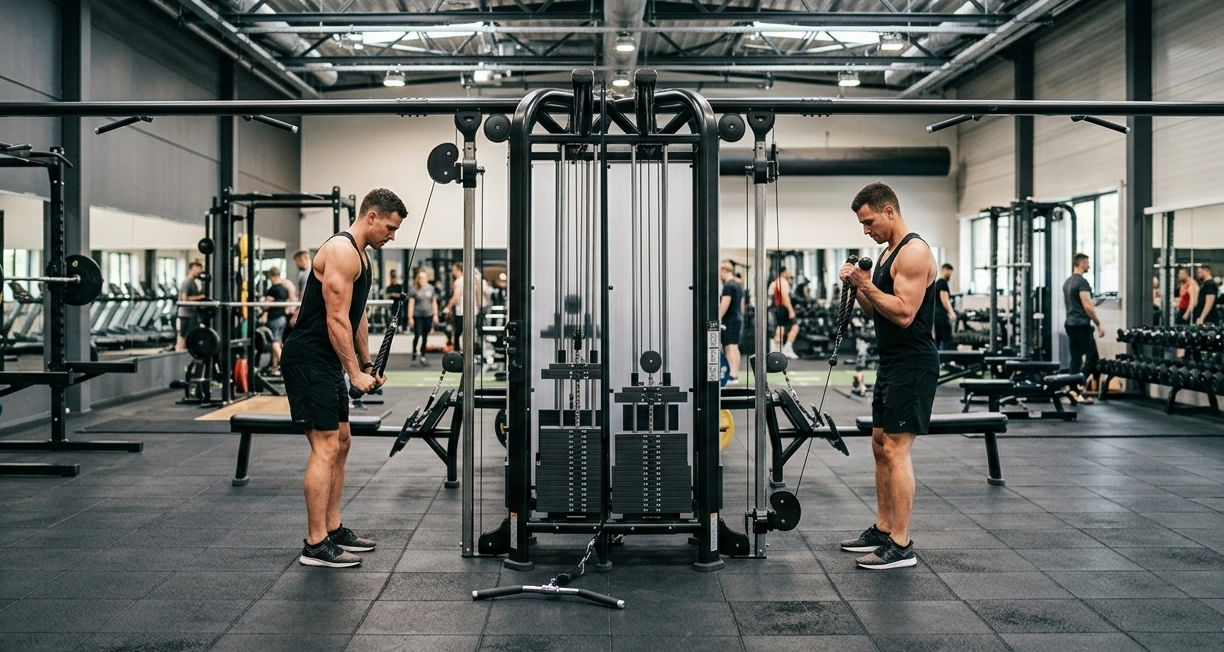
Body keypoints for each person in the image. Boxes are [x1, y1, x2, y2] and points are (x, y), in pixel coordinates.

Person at [280, 188, 405, 568]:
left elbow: (356, 315)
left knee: (343, 441)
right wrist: (352, 372)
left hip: (328, 361)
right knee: (325, 446)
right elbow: (335, 319)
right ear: (370, 216)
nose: (392, 235)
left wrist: (365, 365)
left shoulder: (361, 258)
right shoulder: (339, 251)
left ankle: (332, 528)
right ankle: (315, 544)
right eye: (389, 226)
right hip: (310, 359)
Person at [837, 182, 938, 571]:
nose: (866, 230)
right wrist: (858, 287)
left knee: (896, 449)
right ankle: (883, 529)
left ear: (889, 212)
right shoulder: (886, 254)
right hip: (891, 360)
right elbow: (875, 310)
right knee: (880, 444)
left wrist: (865, 285)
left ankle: (901, 544)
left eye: (869, 221)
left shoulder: (914, 252)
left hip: (913, 362)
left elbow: (903, 313)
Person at [1063, 253, 1105, 401]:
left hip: (1070, 324)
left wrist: (1094, 304)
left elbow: (1079, 304)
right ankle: (1078, 385)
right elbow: (1086, 306)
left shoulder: (1068, 282)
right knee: (1093, 358)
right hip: (1081, 325)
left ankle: (1073, 390)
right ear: (1081, 263)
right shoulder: (1082, 282)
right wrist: (1098, 324)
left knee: (1075, 358)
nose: (1089, 265)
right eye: (1087, 262)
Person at [718, 262, 744, 383]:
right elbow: (742, 305)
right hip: (737, 317)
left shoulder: (728, 286)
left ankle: (732, 374)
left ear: (724, 271)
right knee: (734, 346)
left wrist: (717, 318)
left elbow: (725, 303)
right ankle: (734, 373)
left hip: (730, 319)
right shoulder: (738, 285)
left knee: (730, 346)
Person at [407, 268, 439, 366]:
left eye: (424, 278)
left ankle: (423, 355)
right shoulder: (414, 290)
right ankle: (414, 351)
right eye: (420, 278)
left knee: (425, 336)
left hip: (428, 315)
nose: (422, 280)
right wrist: (410, 317)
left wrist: (435, 315)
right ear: (418, 279)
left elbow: (434, 302)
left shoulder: (431, 289)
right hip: (417, 315)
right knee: (417, 335)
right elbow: (411, 304)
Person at [261, 267, 290, 375]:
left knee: (274, 343)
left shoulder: (273, 289)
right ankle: (274, 367)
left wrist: (263, 306)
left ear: (272, 277)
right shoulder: (284, 289)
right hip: (282, 319)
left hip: (275, 319)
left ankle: (285, 365)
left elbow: (265, 306)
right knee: (277, 342)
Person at [768, 267, 799, 359]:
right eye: (788, 272)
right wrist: (790, 310)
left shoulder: (776, 282)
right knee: (794, 327)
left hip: (778, 308)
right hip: (783, 307)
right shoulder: (782, 282)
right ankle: (786, 349)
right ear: (783, 272)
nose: (789, 274)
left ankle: (778, 350)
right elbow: (785, 296)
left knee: (780, 328)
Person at [175, 261, 206, 352]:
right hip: (185, 314)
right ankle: (179, 353)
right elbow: (184, 299)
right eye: (196, 270)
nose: (198, 272)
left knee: (190, 335)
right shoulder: (187, 282)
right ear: (190, 270)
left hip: (192, 314)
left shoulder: (194, 282)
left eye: (199, 270)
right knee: (182, 336)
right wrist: (201, 297)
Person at [933, 263, 956, 351]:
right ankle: (946, 359)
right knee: (946, 337)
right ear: (944, 270)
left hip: (936, 314)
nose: (950, 274)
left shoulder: (937, 283)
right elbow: (945, 300)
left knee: (939, 337)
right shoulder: (943, 284)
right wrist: (951, 312)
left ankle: (940, 359)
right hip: (941, 314)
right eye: (949, 271)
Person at [291, 249, 311, 325]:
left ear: (303, 259)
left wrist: (298, 311)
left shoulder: (306, 274)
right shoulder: (312, 272)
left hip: (307, 310)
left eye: (297, 262)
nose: (297, 264)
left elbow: (304, 293)